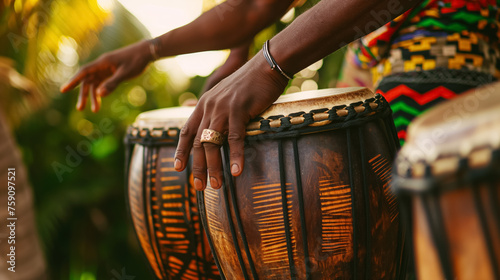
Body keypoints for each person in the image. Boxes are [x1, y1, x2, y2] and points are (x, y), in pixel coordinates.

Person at [62, 0, 421, 191]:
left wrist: (268, 65)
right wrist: (151, 49)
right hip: (372, 64)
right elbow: (253, 7)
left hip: (445, 53)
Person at [350, 0, 500, 146]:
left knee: (412, 164)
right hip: (482, 92)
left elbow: (368, 49)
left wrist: (357, 49)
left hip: (407, 91)